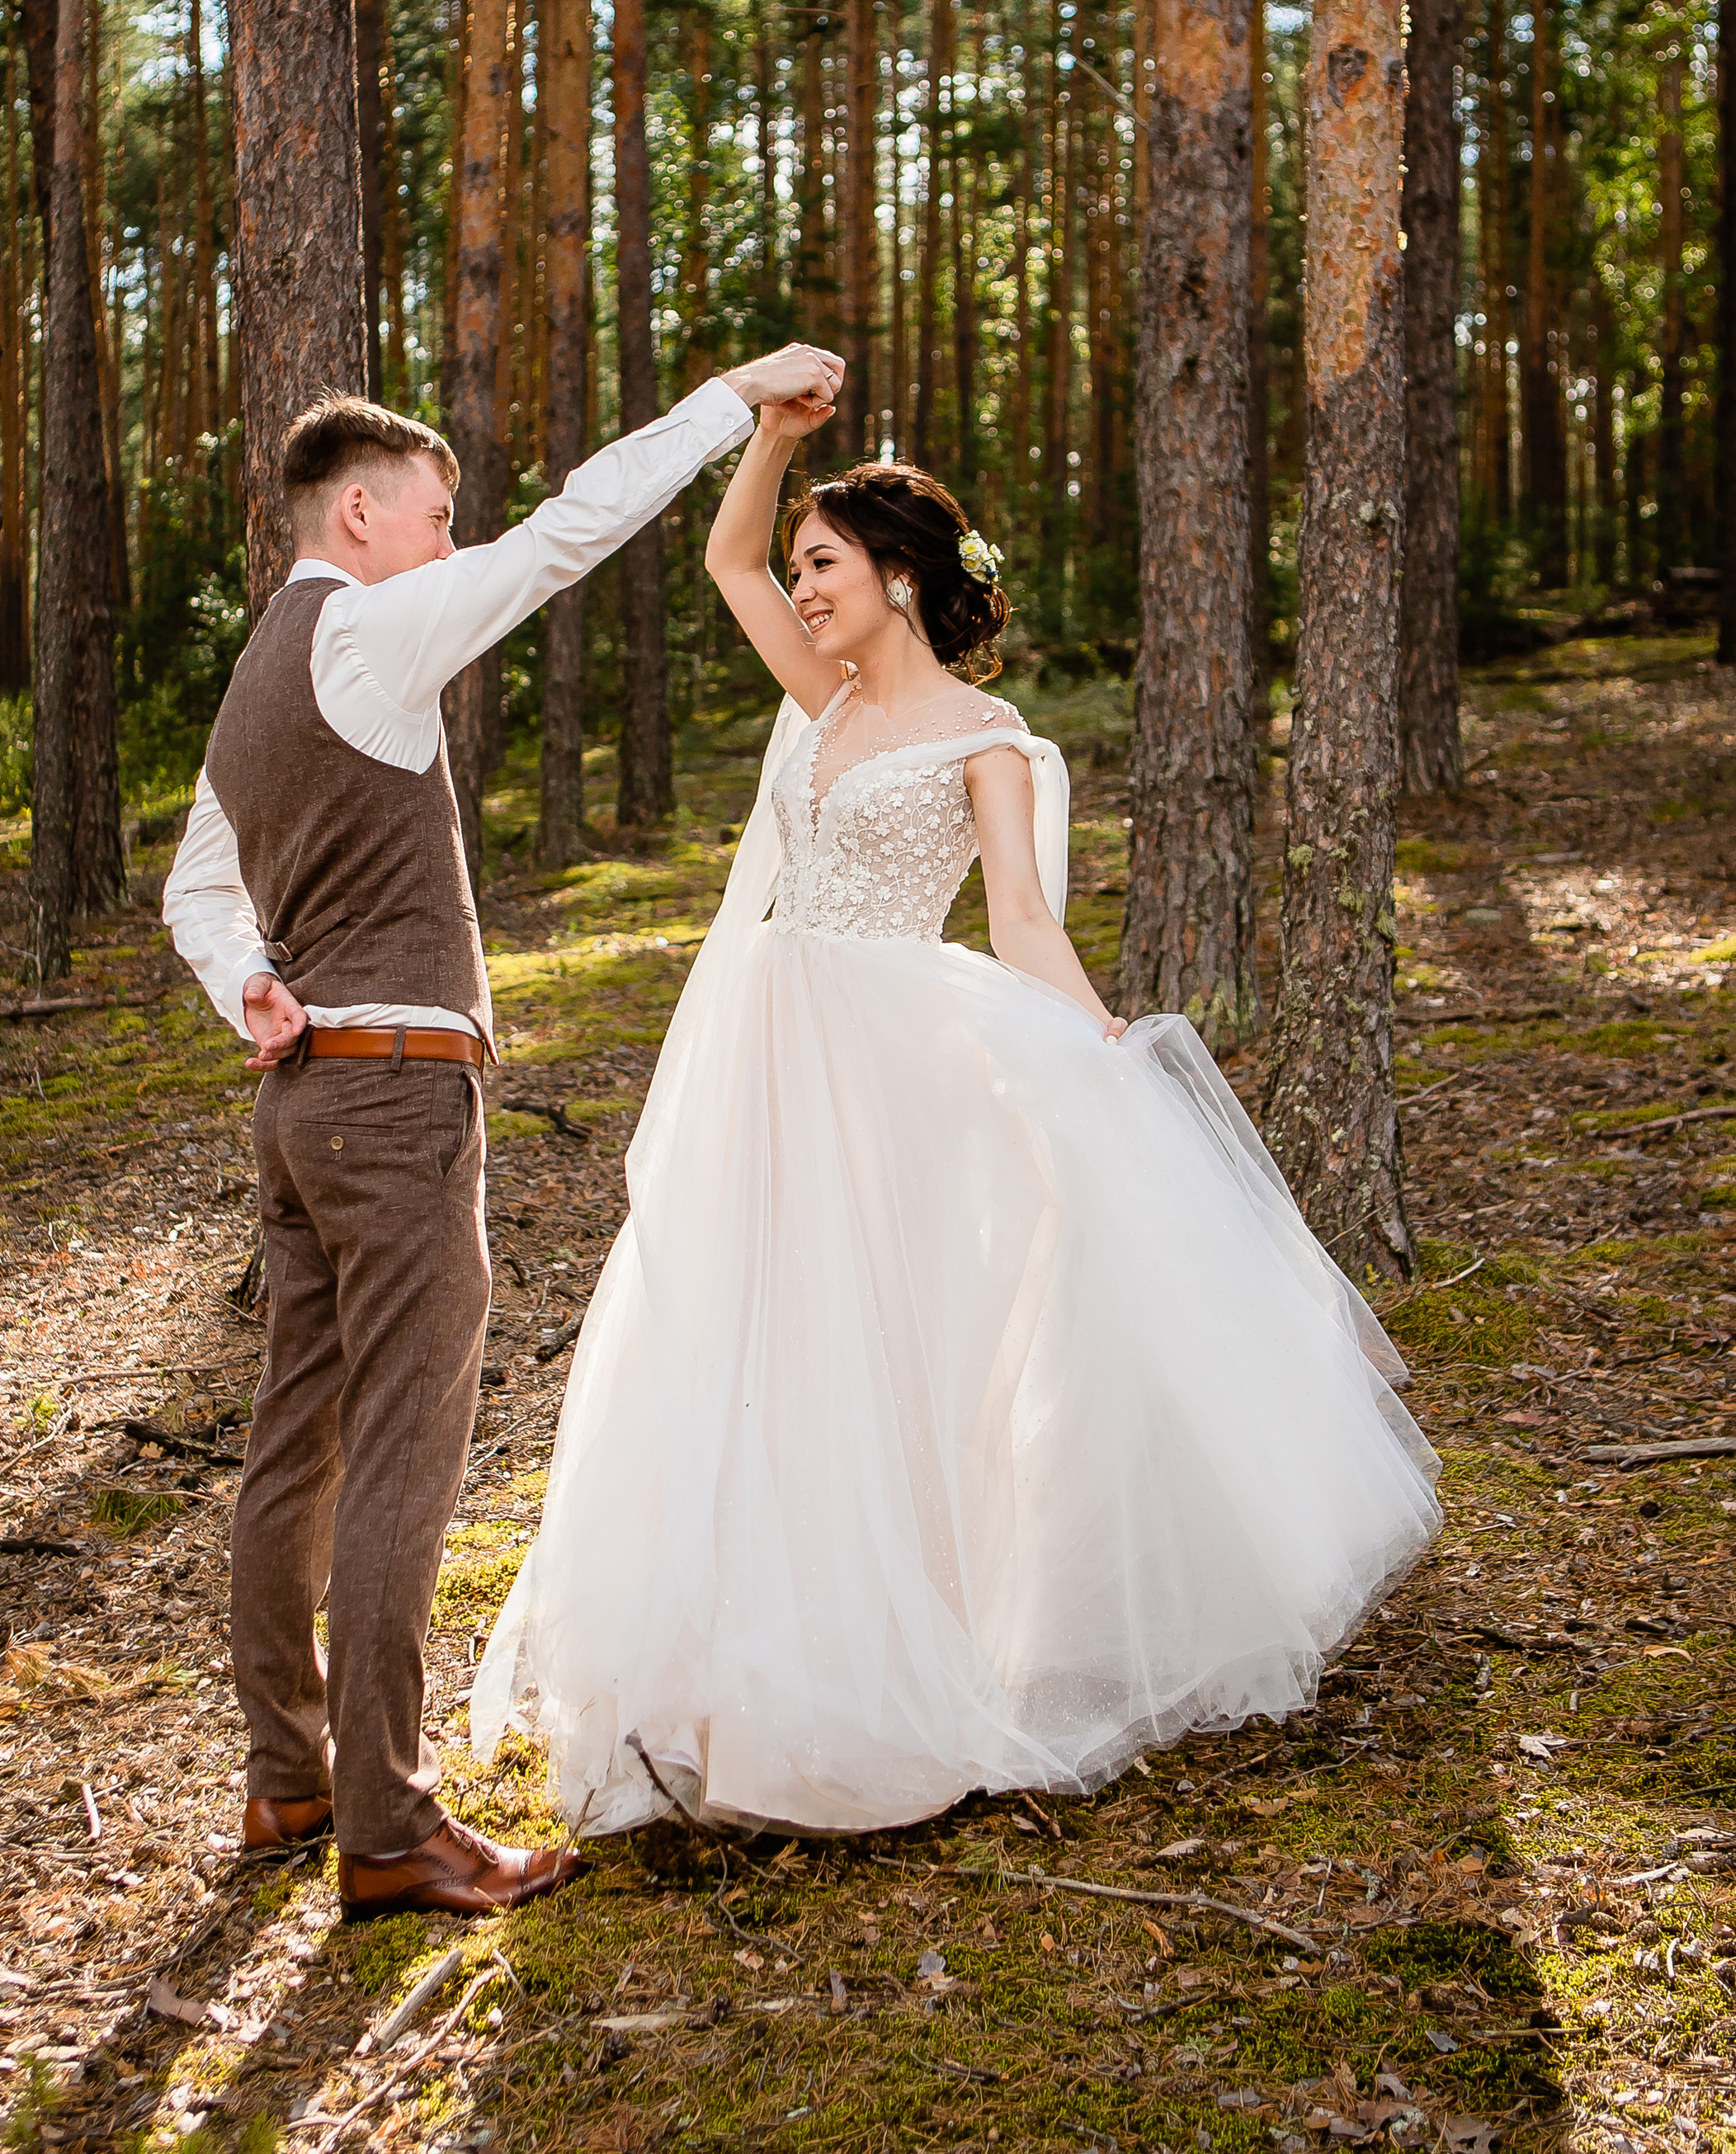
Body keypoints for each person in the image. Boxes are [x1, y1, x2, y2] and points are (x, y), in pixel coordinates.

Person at [473, 390, 1441, 1836]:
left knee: (878, 1344)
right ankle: (726, 1675)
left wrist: (1095, 1036)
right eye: (804, 569)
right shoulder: (827, 701)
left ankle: (893, 1661)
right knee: (744, 1327)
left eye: (826, 567)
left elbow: (1022, 926)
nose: (799, 587)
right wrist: (772, 436)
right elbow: (727, 560)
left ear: (899, 580)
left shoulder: (985, 737)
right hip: (769, 1049)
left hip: (886, 1061)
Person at [163, 342, 844, 1919]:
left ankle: (289, 1779)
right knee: (403, 1442)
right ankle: (388, 1826)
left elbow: (199, 882)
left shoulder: (260, 679)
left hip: (304, 1100)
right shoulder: (368, 632)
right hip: (394, 1103)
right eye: (432, 511)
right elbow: (563, 535)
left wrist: (249, 985)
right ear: (355, 514)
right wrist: (731, 403)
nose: (451, 540)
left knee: (295, 1438)